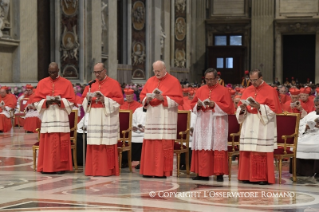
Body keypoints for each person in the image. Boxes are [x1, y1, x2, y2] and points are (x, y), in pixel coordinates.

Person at [236, 69, 281, 185]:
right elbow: (241, 107)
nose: (253, 83)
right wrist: (242, 109)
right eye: (251, 80)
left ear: (261, 78)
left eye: (255, 80)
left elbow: (273, 110)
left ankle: (262, 177)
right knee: (248, 150)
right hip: (250, 122)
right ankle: (246, 176)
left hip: (263, 124)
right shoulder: (248, 90)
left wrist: (259, 107)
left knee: (261, 151)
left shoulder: (270, 91)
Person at [139, 60, 183, 178]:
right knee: (151, 144)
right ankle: (148, 171)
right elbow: (142, 96)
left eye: (159, 71)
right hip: (152, 116)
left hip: (166, 117)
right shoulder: (150, 81)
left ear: (164, 69)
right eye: (155, 71)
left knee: (162, 145)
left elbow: (179, 99)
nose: (157, 73)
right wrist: (147, 99)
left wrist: (163, 98)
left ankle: (162, 172)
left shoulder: (174, 81)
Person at [190, 68, 234, 181]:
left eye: (211, 79)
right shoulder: (200, 89)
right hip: (203, 121)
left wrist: (214, 104)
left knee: (216, 146)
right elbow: (193, 104)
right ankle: (202, 173)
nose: (208, 82)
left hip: (217, 122)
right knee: (203, 145)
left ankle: (218, 173)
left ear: (216, 78)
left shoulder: (224, 91)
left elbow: (229, 108)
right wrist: (198, 106)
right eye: (206, 79)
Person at [31, 62, 75, 173]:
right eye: (50, 72)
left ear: (58, 70)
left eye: (54, 72)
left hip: (61, 116)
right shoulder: (42, 83)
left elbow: (71, 101)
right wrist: (47, 101)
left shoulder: (66, 83)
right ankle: (47, 166)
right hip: (48, 116)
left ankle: (61, 167)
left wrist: (60, 101)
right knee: (48, 142)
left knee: (61, 143)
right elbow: (36, 101)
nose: (52, 74)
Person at [82, 62, 123, 176]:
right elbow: (84, 101)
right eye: (95, 72)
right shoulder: (91, 85)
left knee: (106, 143)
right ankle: (93, 169)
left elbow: (119, 100)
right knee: (95, 143)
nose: (97, 75)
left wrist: (105, 100)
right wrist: (88, 99)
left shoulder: (114, 83)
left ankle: (107, 170)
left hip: (107, 116)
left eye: (99, 72)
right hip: (94, 116)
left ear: (105, 71)